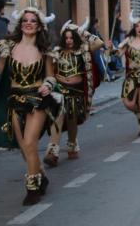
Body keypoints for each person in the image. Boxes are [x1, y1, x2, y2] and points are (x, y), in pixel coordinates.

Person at [0, 8, 61, 205]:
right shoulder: (9, 46)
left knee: (30, 143)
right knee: (24, 148)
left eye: (33, 20)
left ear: (39, 25)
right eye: (25, 20)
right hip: (15, 100)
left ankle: (32, 188)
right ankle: (40, 175)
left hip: (36, 101)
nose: (28, 23)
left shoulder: (44, 50)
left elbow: (50, 75)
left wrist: (47, 86)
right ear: (20, 24)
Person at [43, 19, 104, 167]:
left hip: (76, 92)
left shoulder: (82, 51)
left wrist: (82, 31)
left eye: (72, 37)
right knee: (58, 116)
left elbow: (99, 43)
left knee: (72, 120)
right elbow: (50, 72)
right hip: (59, 89)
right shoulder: (56, 52)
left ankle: (71, 143)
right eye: (66, 37)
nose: (69, 40)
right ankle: (53, 151)